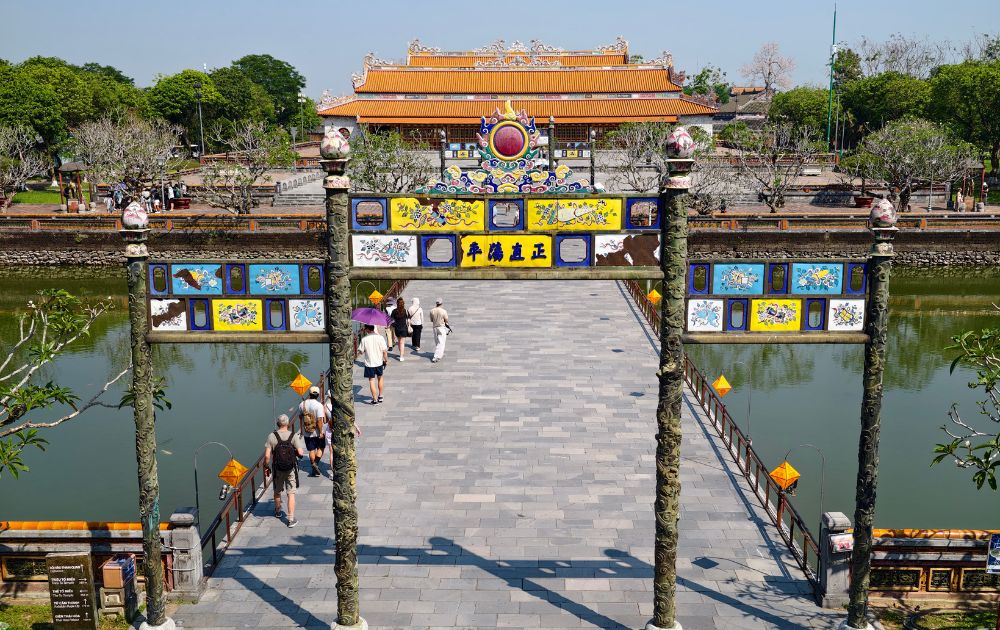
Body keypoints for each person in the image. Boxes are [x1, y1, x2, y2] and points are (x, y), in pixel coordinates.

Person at [263, 414, 305, 527]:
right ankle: (291, 519)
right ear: (288, 424)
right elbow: (301, 453)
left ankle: (278, 511)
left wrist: (266, 466)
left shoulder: (272, 436)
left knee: (277, 491)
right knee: (291, 493)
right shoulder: (293, 435)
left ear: (278, 424)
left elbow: (267, 456)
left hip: (277, 469)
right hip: (290, 468)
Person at [293, 386, 329, 477]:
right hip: (317, 432)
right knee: (321, 447)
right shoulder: (319, 405)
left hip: (307, 431)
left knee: (311, 449)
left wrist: (301, 430)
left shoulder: (302, 404)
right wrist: (321, 432)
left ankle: (313, 466)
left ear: (309, 394)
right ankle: (315, 464)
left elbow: (300, 417)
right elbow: (320, 421)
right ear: (317, 395)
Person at [359, 324, 388, 404]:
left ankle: (374, 400)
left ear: (368, 329)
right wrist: (386, 360)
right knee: (380, 378)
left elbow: (361, 351)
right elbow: (384, 351)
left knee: (371, 380)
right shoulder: (380, 338)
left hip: (369, 363)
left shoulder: (364, 339)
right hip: (379, 362)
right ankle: (381, 396)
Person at [430, 297, 449, 364]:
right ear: (441, 303)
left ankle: (439, 354)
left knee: (437, 341)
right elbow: (446, 320)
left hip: (435, 327)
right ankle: (436, 356)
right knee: (441, 342)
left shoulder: (432, 310)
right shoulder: (444, 311)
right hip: (441, 327)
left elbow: (431, 320)